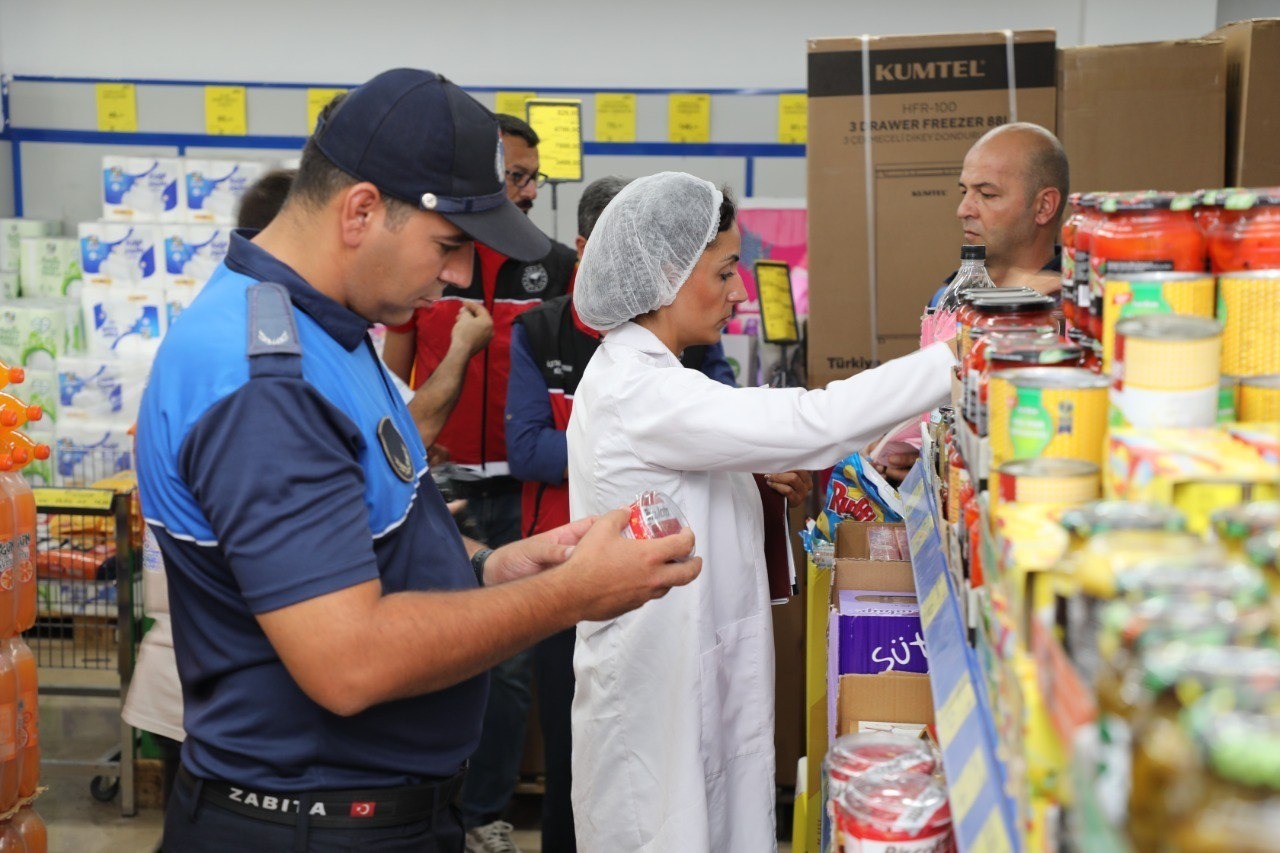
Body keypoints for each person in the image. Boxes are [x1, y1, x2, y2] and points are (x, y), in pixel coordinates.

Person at [134, 69, 703, 852]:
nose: (460, 278)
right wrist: (571, 594)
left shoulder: (325, 331)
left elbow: (362, 529)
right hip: (310, 824)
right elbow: (348, 661)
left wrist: (485, 567)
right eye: (449, 245)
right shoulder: (267, 383)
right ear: (362, 210)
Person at [566, 171, 955, 851]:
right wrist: (959, 355)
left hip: (696, 663)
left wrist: (747, 477)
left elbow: (691, 483)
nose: (740, 292)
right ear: (665, 273)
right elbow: (819, 420)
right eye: (722, 273)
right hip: (659, 682)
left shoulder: (662, 383)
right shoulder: (640, 391)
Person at [504, 176, 747, 853]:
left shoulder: (691, 327)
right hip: (564, 558)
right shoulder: (541, 330)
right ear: (587, 249)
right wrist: (618, 440)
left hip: (661, 571)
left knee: (665, 752)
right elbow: (525, 447)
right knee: (580, 750)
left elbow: (727, 418)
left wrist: (710, 442)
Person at [381, 112, 577, 853]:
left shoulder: (553, 265)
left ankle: (485, 812)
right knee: (430, 640)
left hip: (523, 486)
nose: (525, 191)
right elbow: (395, 362)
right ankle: (431, 801)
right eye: (513, 176)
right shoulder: (430, 262)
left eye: (532, 177)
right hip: (439, 478)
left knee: (513, 663)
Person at [927, 121, 1069, 308]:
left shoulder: (1083, 309)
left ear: (1043, 206)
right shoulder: (946, 301)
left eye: (987, 194)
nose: (962, 210)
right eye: (964, 192)